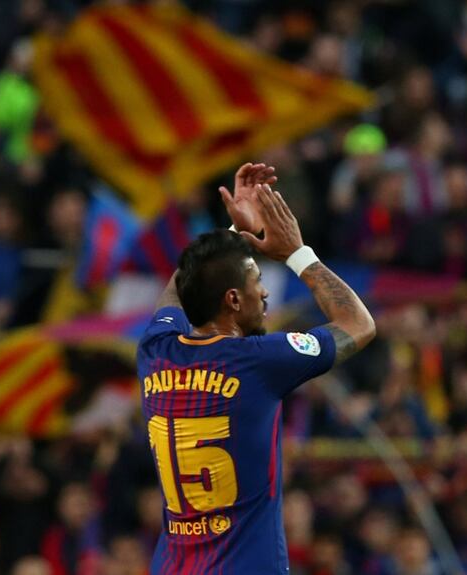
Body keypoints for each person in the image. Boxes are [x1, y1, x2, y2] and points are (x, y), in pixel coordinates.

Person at [137, 163, 376, 573]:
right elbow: (359, 324)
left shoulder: (155, 351)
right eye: (255, 280)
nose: (264, 292)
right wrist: (297, 253)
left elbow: (181, 289)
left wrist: (231, 237)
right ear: (233, 300)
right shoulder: (260, 362)